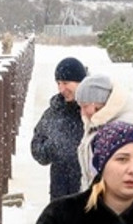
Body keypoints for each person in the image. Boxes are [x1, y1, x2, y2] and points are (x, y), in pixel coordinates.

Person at [30, 57, 89, 201]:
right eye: (58, 83)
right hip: (60, 197)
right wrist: (54, 146)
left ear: (81, 82)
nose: (61, 89)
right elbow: (37, 149)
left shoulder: (94, 109)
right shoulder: (54, 112)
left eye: (66, 83)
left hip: (90, 195)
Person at [70, 70, 133, 185]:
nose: (82, 113)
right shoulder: (96, 124)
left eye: (85, 106)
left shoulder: (125, 128)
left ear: (99, 103)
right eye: (80, 107)